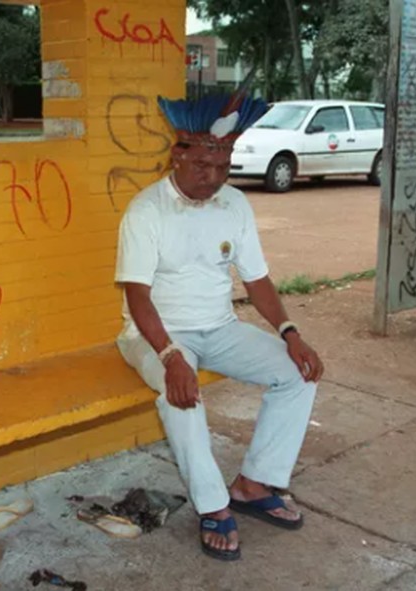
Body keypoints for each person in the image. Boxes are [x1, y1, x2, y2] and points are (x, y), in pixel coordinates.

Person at [114, 82, 324, 561]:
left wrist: (291, 335)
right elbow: (137, 295)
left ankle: (253, 484)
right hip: (155, 335)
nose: (214, 178)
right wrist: (170, 357)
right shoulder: (146, 211)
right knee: (181, 397)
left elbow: (258, 280)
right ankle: (212, 507)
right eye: (204, 166)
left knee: (298, 373)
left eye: (223, 167)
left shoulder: (235, 203)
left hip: (220, 327)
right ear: (177, 157)